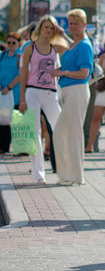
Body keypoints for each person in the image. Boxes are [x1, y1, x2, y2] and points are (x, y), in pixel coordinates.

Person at [19, 15, 67, 183]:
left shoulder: (56, 48)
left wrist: (62, 33)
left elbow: (71, 49)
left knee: (60, 128)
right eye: (46, 27)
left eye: (52, 28)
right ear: (40, 28)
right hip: (32, 92)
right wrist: (22, 100)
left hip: (50, 92)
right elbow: (23, 73)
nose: (49, 30)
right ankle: (38, 173)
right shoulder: (29, 48)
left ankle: (65, 169)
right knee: (35, 132)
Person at [52, 9, 94, 186]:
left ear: (84, 25)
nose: (72, 26)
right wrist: (64, 34)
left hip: (77, 90)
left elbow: (85, 72)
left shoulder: (84, 45)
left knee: (71, 133)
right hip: (69, 91)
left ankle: (74, 176)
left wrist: (63, 72)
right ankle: (70, 174)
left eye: (76, 23)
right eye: (70, 23)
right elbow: (72, 46)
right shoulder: (76, 43)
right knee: (64, 132)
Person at [0, 32, 23, 154]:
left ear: (19, 43)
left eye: (13, 42)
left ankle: (20, 148)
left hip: (15, 93)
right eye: (8, 42)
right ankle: (3, 147)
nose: (11, 45)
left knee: (17, 121)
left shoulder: (20, 56)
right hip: (3, 94)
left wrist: (9, 87)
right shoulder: (3, 55)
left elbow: (20, 75)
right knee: (4, 121)